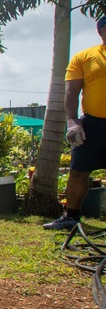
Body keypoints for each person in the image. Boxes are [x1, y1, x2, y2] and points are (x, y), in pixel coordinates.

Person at [43, 16, 106, 231]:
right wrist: (72, 121)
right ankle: (71, 217)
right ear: (101, 31)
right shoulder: (84, 57)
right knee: (78, 172)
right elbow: (71, 92)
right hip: (93, 125)